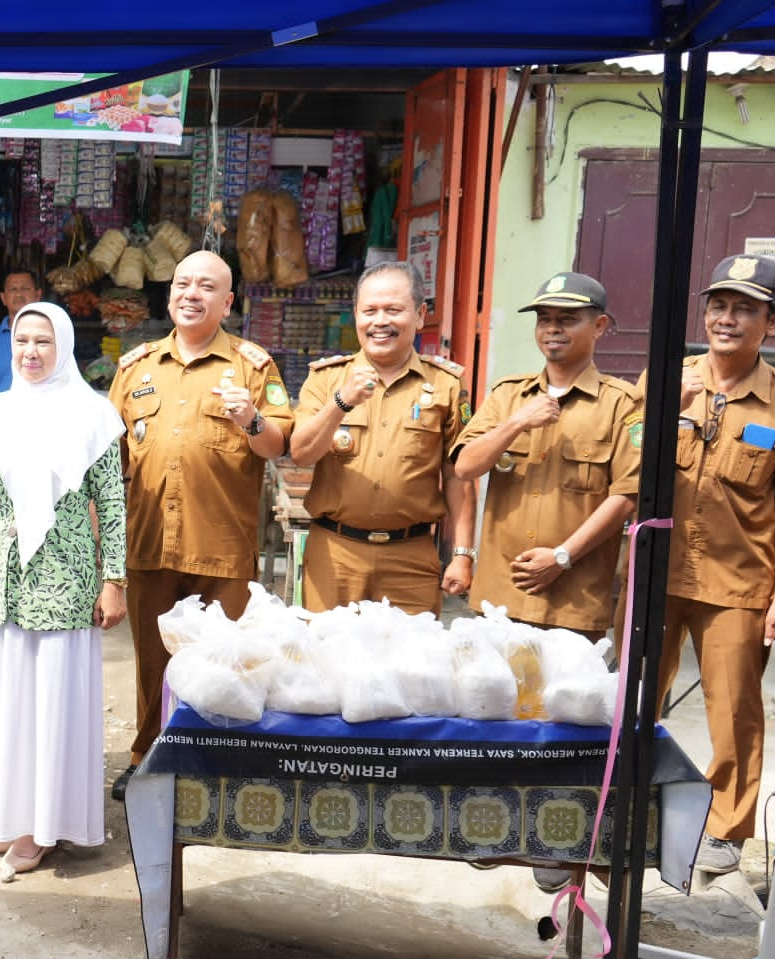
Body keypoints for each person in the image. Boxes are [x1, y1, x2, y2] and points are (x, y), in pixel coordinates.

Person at [0, 301, 126, 880]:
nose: (31, 352)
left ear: (63, 346)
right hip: (2, 580)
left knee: (51, 702)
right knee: (8, 702)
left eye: (44, 341)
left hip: (64, 580)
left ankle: (40, 827)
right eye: (22, 341)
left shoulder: (93, 415)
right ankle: (12, 813)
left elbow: (113, 505)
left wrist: (114, 580)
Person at [106, 250, 292, 801]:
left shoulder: (252, 367)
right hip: (149, 545)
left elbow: (278, 444)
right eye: (182, 283)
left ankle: (213, 769)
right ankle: (146, 759)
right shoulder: (135, 367)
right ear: (169, 296)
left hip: (221, 549)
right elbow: (108, 459)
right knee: (151, 666)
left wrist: (249, 419)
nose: (192, 293)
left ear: (227, 302)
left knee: (222, 667)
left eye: (206, 286)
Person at [650, 253, 775, 875]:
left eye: (745, 308)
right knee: (635, 695)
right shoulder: (667, 380)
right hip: (657, 573)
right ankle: (622, 801)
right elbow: (625, 467)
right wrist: (669, 402)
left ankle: (726, 829)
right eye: (720, 306)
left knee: (733, 709)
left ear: (769, 325)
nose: (727, 319)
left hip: (739, 581)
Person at [454, 273, 640, 638]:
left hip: (572, 602)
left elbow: (626, 496)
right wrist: (517, 422)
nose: (552, 329)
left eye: (568, 319)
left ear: (599, 326)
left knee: (563, 697)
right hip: (499, 598)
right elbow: (465, 466)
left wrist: (561, 557)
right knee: (492, 696)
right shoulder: (508, 395)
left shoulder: (623, 403)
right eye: (545, 319)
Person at [290, 260, 475, 615]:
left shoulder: (446, 385)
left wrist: (463, 554)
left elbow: (458, 475)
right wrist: (341, 402)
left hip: (411, 557)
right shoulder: (326, 379)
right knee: (329, 663)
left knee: (409, 667)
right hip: (335, 554)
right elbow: (301, 453)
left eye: (394, 310)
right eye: (369, 311)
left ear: (420, 315)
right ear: (356, 315)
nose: (380, 322)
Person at [0, 270, 42, 392]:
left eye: (25, 288)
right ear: (3, 298)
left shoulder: (50, 337)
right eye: (12, 289)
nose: (18, 294)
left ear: (38, 295)